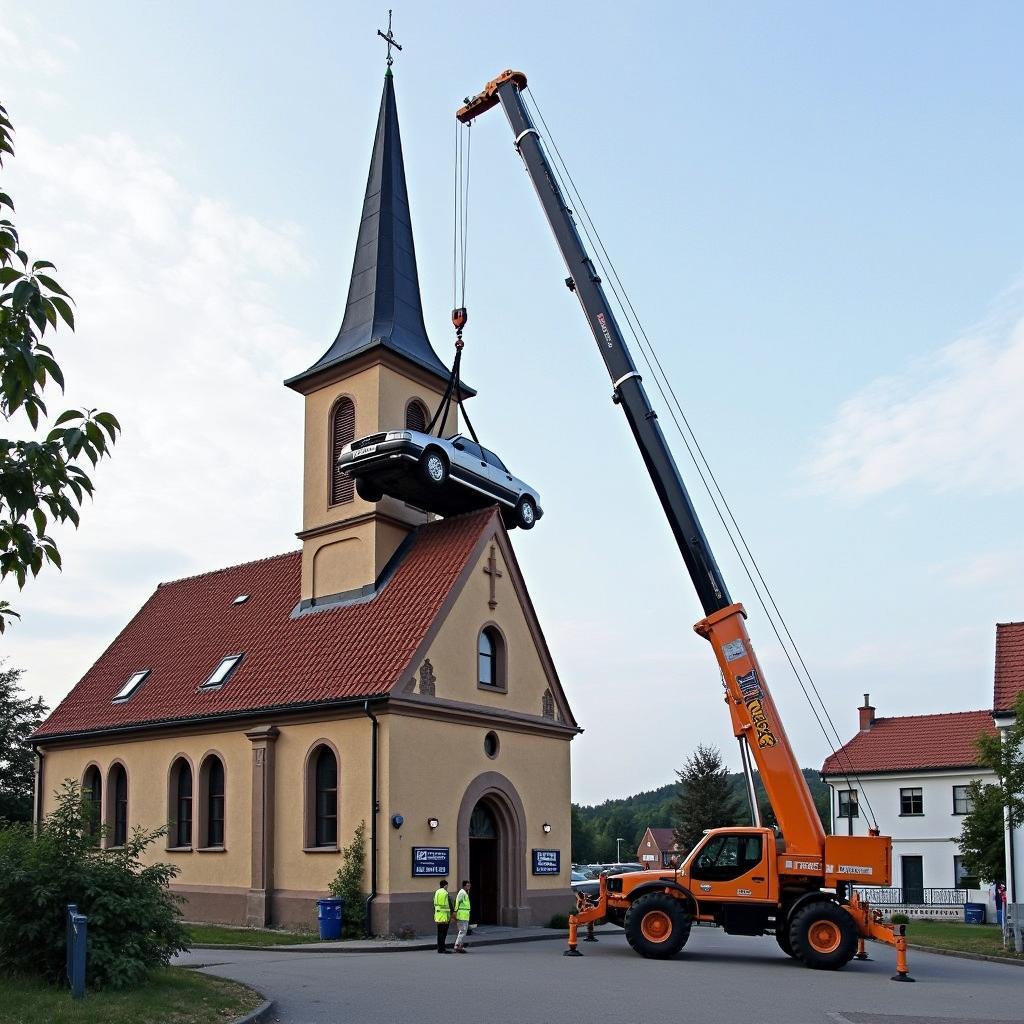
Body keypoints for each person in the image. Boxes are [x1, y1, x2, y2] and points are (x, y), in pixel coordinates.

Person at [434, 879, 453, 953]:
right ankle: (443, 949)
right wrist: (452, 913)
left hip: (438, 916)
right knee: (443, 933)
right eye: (447, 886)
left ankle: (439, 948)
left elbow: (435, 904)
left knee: (439, 933)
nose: (447, 887)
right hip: (444, 916)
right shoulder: (445, 893)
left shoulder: (437, 892)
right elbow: (449, 905)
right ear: (445, 885)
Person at [453, 880, 472, 953]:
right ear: (464, 886)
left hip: (465, 914)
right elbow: (457, 902)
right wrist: (455, 911)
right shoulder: (462, 893)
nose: (469, 886)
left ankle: (460, 946)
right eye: (467, 885)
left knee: (463, 931)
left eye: (469, 885)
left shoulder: (465, 893)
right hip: (462, 914)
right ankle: (457, 945)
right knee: (462, 931)